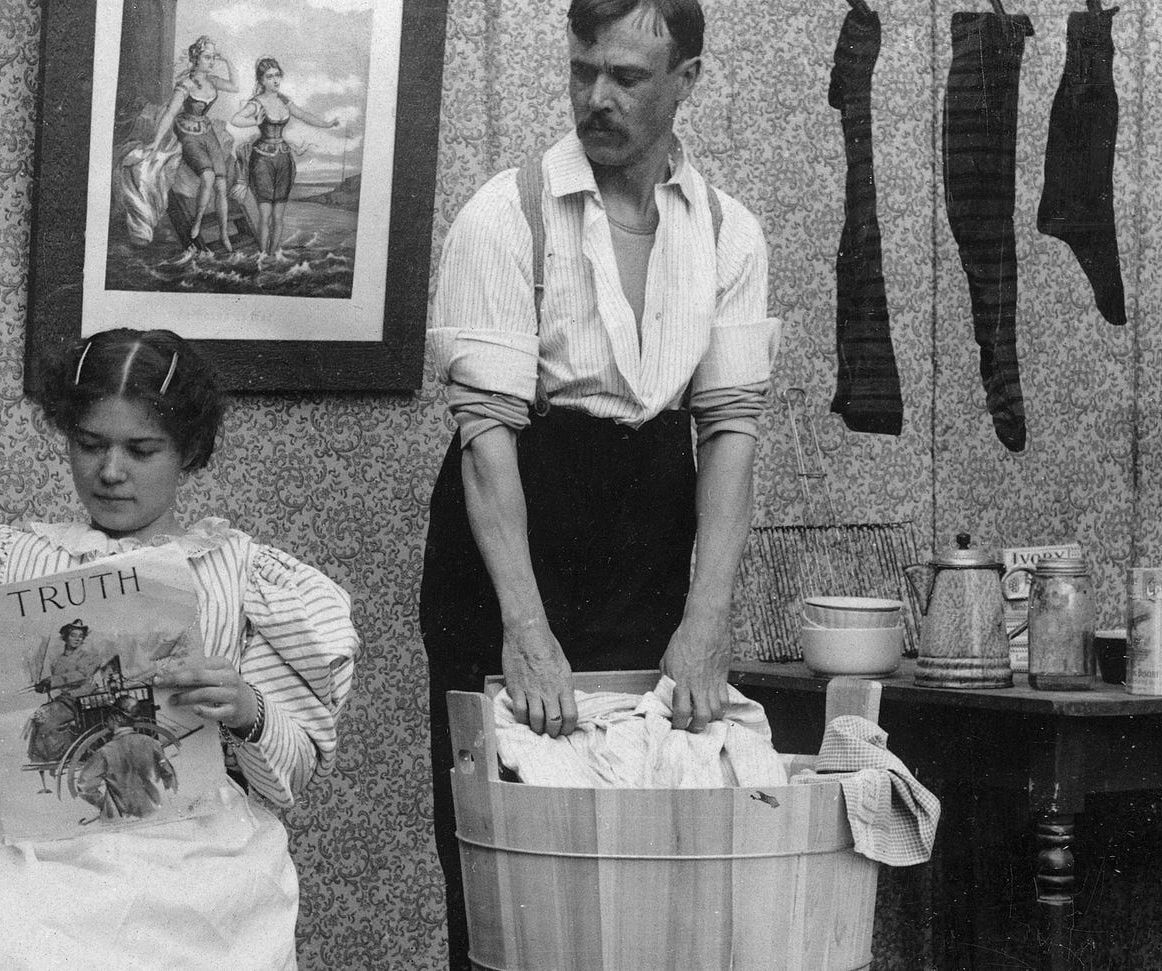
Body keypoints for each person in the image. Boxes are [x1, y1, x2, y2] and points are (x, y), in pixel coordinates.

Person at [0, 327, 359, 969]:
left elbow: (290, 778)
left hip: (194, 856)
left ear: (189, 451)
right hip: (28, 856)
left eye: (141, 450)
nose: (111, 472)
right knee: (3, 941)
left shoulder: (250, 578)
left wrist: (247, 707)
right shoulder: (2, 560)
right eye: (90, 445)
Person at [417, 1, 782, 966]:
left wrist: (707, 618)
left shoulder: (729, 232)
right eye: (583, 71)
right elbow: (485, 438)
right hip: (510, 539)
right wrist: (525, 629)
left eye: (626, 76)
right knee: (508, 854)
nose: (597, 97)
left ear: (687, 81)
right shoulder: (505, 215)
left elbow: (729, 432)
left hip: (648, 533)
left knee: (648, 837)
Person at [229, 56, 342, 260]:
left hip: (284, 161)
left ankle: (272, 256)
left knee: (279, 216)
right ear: (261, 80)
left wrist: (327, 124)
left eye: (277, 75)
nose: (275, 80)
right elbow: (236, 119)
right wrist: (255, 122)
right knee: (265, 215)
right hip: (262, 161)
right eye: (269, 76)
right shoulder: (257, 103)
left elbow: (304, 115)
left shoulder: (284, 100)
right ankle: (262, 256)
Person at [147, 35, 240, 253]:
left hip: (207, 131)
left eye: (214, 57)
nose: (212, 61)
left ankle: (224, 234)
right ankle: (197, 222)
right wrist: (155, 142)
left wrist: (227, 60)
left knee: (221, 185)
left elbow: (235, 86)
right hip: (187, 133)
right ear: (196, 59)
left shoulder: (213, 81)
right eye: (207, 57)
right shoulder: (186, 85)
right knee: (207, 177)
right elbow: (170, 113)